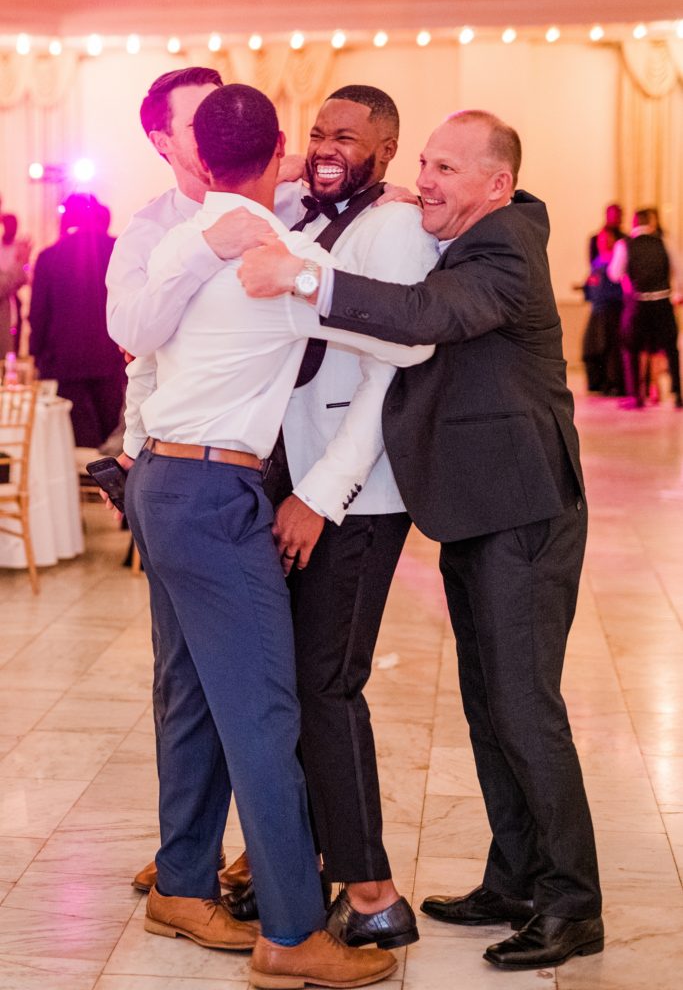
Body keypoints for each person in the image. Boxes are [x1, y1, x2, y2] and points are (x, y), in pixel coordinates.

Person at [238, 108, 604, 972]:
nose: (425, 181)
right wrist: (412, 197)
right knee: (489, 704)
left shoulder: (503, 248)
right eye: (425, 165)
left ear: (496, 185)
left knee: (524, 708)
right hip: (479, 509)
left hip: (523, 511)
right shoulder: (476, 229)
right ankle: (513, 879)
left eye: (445, 168)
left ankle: (571, 902)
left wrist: (302, 278)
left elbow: (420, 314)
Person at [115, 82, 433, 988]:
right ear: (280, 147)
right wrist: (306, 277)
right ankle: (291, 932)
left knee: (191, 695)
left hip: (158, 481)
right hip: (217, 495)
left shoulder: (181, 239)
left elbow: (133, 333)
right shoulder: (285, 255)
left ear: (196, 154)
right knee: (264, 715)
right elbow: (408, 345)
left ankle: (183, 882)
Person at [222, 85, 438, 950]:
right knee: (291, 686)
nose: (325, 146)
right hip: (286, 480)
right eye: (316, 132)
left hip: (355, 494)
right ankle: (301, 862)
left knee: (327, 684)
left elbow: (393, 373)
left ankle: (374, 891)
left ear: (386, 150)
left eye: (347, 137)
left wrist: (320, 495)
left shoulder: (396, 227)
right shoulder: (298, 214)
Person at [28, 194, 124, 446]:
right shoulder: (118, 249)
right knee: (109, 430)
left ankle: (84, 471)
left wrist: (36, 354)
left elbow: (39, 313)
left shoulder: (50, 256)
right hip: (110, 356)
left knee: (77, 436)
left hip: (64, 360)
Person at [608, 208, 682, 409]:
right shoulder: (664, 242)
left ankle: (636, 396)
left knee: (631, 348)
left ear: (634, 223)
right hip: (662, 301)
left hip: (637, 303)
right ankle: (678, 394)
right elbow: (680, 270)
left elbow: (614, 273)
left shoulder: (625, 244)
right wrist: (678, 293)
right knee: (670, 348)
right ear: (651, 223)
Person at [581, 227, 624, 395]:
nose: (603, 242)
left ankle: (612, 383)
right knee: (591, 347)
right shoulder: (597, 262)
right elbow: (591, 284)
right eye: (601, 239)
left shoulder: (615, 261)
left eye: (607, 239)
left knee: (609, 349)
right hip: (597, 310)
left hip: (611, 310)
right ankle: (597, 383)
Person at [0, 215, 30, 359]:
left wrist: (24, 263)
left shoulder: (18, 247)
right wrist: (20, 262)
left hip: (12, 299)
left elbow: (25, 275)